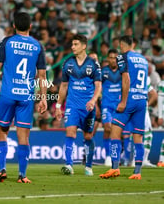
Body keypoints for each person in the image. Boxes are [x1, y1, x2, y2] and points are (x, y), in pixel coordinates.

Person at [0, 12, 47, 183]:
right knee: (23, 136)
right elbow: (42, 76)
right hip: (26, 97)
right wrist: (43, 98)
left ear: (14, 26)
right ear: (30, 26)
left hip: (7, 94)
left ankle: (2, 170)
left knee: (2, 132)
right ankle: (22, 175)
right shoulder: (37, 46)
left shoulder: (7, 42)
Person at [100, 36, 149, 180]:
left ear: (122, 45)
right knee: (138, 137)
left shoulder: (123, 57)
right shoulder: (143, 60)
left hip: (130, 100)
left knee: (114, 131)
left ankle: (115, 168)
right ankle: (137, 172)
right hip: (142, 100)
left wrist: (123, 101)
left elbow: (126, 78)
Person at [55, 34, 102, 176]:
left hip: (88, 107)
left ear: (84, 46)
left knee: (88, 137)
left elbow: (98, 86)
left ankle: (88, 166)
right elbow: (63, 86)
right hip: (72, 105)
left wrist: (93, 100)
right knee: (70, 132)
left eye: (75, 44)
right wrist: (58, 106)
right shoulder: (68, 63)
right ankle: (69, 165)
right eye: (72, 44)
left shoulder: (93, 64)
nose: (72, 47)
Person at [100, 49, 121, 167]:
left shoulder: (123, 72)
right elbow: (97, 87)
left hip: (119, 106)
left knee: (118, 132)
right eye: (111, 57)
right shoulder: (103, 72)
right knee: (107, 128)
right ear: (107, 59)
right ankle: (108, 156)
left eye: (115, 57)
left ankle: (118, 155)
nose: (113, 60)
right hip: (107, 105)